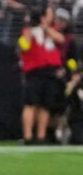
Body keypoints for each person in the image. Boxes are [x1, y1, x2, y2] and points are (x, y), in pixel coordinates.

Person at [19, 9, 65, 146]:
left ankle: (41, 136)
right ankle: (28, 136)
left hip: (50, 72)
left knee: (45, 105)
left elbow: (61, 39)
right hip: (34, 71)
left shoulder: (51, 31)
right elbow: (24, 46)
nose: (52, 17)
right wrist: (31, 30)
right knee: (30, 104)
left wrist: (45, 28)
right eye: (49, 14)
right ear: (42, 17)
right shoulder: (29, 31)